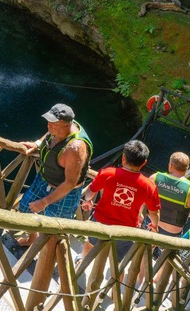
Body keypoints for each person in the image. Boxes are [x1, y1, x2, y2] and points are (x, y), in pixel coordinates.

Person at [17, 103, 93, 246]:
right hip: (44, 179)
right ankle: (32, 240)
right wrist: (38, 143)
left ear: (67, 125)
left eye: (54, 124)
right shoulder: (60, 127)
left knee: (54, 229)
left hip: (65, 192)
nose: (49, 127)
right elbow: (49, 132)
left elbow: (70, 183)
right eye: (49, 122)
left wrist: (44, 202)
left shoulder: (75, 148)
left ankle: (47, 257)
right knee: (25, 208)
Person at [80, 140, 160, 262]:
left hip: (100, 222)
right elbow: (154, 213)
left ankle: (83, 263)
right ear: (144, 163)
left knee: (91, 243)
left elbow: (90, 192)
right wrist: (154, 225)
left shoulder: (107, 173)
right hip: (126, 230)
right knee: (117, 261)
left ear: (123, 157)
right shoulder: (149, 186)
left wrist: (87, 201)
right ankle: (115, 279)